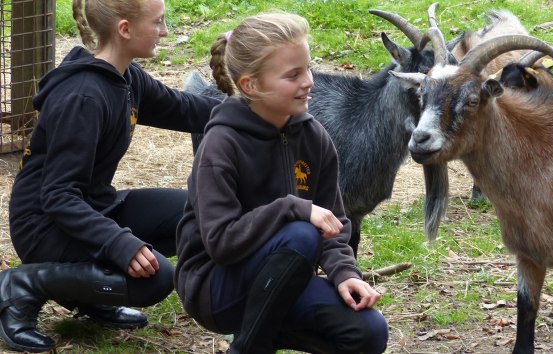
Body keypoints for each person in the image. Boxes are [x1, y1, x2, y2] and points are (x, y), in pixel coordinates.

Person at [0, 0, 220, 352]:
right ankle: (23, 284)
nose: (165, 31)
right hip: (45, 227)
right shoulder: (82, 97)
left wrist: (260, 111)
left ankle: (90, 294)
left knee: (197, 214)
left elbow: (187, 109)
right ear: (125, 29)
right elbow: (57, 195)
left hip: (92, 208)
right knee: (156, 279)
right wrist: (120, 243)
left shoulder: (126, 77)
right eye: (158, 22)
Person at [174, 13, 389, 354]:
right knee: (301, 233)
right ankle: (247, 347)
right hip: (216, 288)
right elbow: (221, 242)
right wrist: (294, 208)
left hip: (283, 280)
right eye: (293, 75)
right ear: (251, 85)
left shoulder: (313, 136)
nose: (308, 82)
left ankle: (264, 334)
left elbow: (335, 222)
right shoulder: (221, 145)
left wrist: (345, 272)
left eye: (308, 69)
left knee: (369, 332)